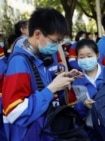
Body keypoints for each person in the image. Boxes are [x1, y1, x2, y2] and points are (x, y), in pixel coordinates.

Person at [2, 7, 83, 141]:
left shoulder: (39, 57)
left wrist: (62, 79)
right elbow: (14, 112)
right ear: (38, 34)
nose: (57, 46)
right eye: (55, 41)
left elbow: (38, 89)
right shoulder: (19, 63)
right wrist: (52, 88)